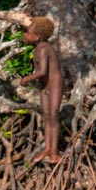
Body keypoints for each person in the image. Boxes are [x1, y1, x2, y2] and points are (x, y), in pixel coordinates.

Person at [20, 16, 64, 164]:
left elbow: (43, 71)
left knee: (53, 115)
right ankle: (47, 148)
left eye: (28, 32)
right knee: (46, 116)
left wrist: (26, 79)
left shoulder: (44, 48)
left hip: (54, 84)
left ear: (37, 36)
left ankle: (54, 151)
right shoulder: (38, 48)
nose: (25, 35)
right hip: (45, 86)